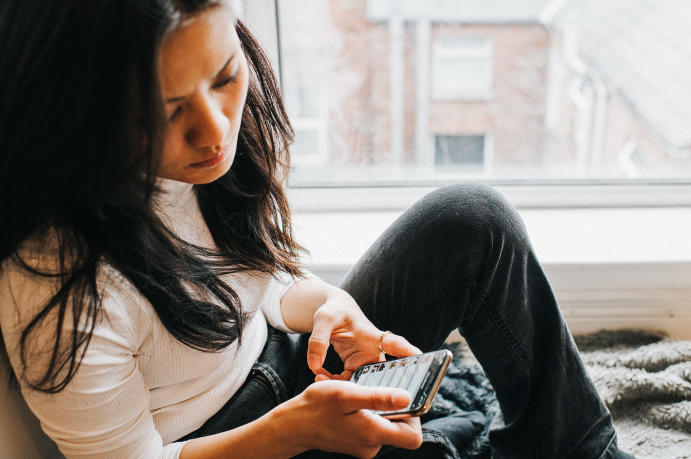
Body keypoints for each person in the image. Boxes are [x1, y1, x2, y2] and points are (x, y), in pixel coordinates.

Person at [0, 1, 635, 458]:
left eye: (225, 77)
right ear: (78, 112)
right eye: (163, 114)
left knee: (473, 222)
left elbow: (260, 285)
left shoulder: (203, 153)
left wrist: (330, 304)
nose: (216, 131)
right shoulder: (58, 289)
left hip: (288, 370)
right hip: (221, 446)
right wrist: (293, 430)